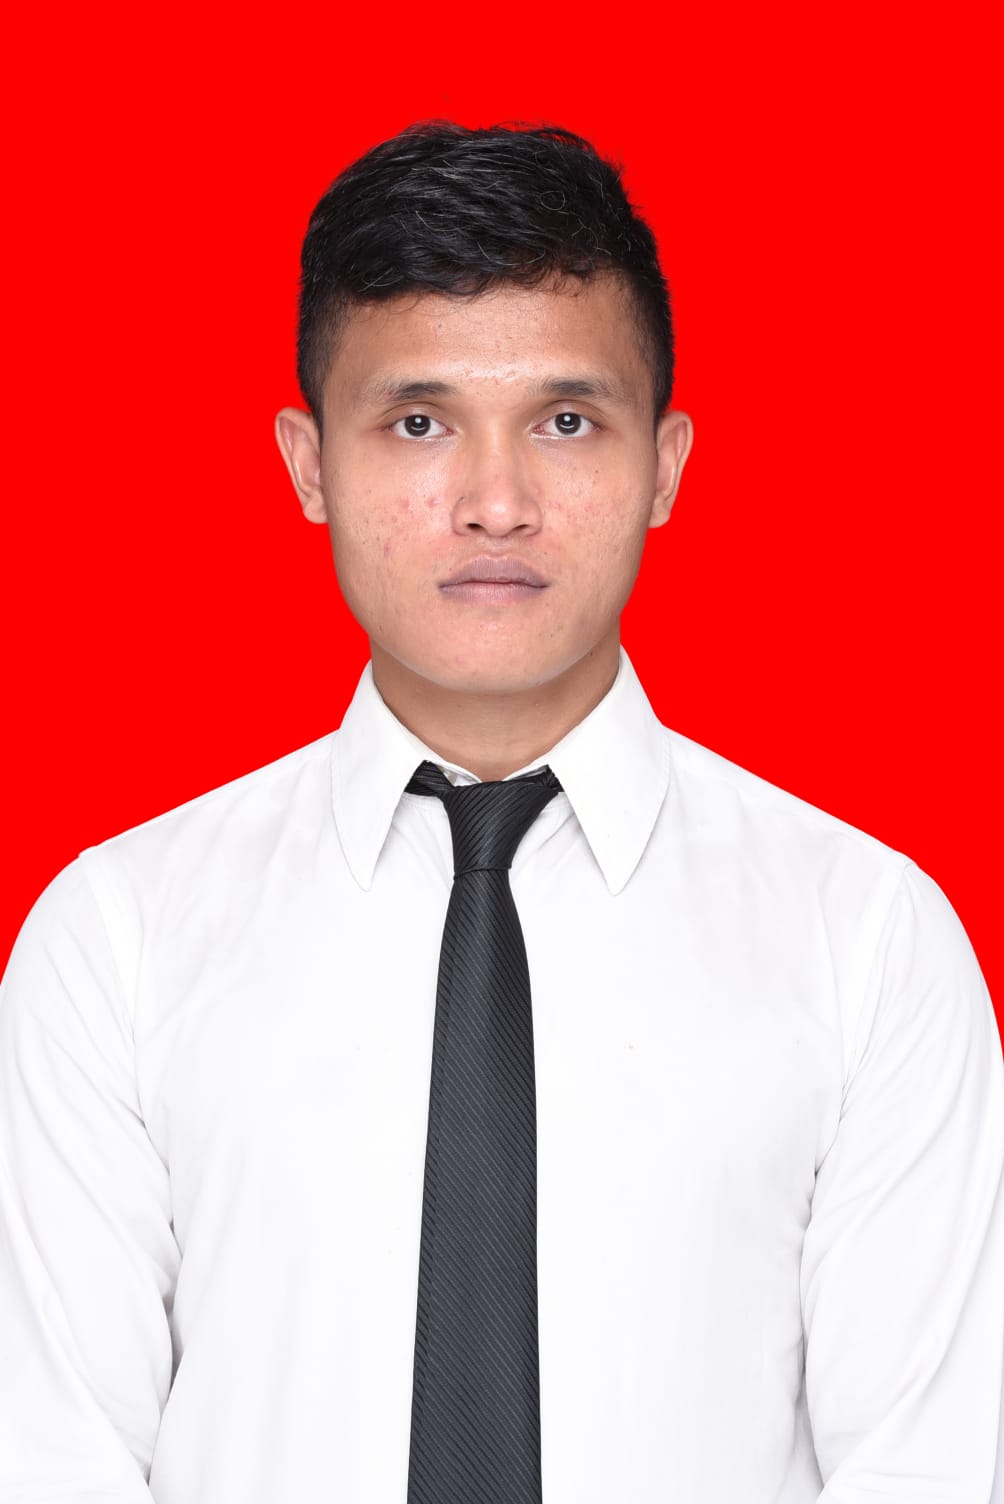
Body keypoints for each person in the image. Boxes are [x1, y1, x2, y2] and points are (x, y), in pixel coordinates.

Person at [1, 121, 1001, 1504]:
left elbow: (926, 1470)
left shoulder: (867, 941)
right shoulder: (116, 940)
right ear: (308, 463)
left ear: (666, 463)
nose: (495, 502)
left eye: (565, 422)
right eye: (418, 423)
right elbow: (53, 1462)